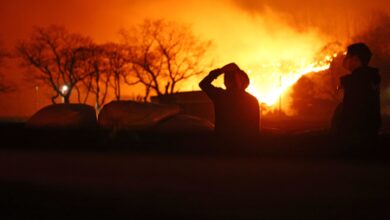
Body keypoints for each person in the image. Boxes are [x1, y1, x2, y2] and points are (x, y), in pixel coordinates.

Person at [332, 43, 381, 145]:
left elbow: (344, 105)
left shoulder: (350, 82)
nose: (345, 60)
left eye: (347, 57)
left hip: (353, 137)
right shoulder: (372, 78)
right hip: (369, 133)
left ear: (355, 59)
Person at [199, 63, 260, 142]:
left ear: (227, 81)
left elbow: (203, 84)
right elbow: (256, 131)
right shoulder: (252, 100)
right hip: (245, 148)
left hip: (222, 147)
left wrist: (220, 71)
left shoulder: (220, 96)